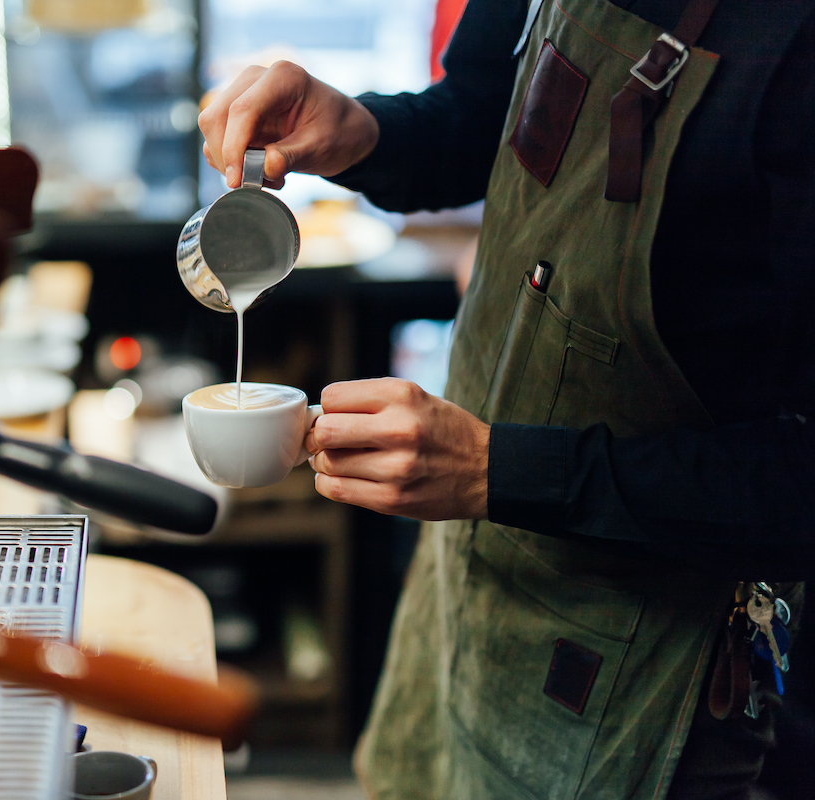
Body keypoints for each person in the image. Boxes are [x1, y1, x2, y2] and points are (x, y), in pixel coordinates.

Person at [198, 0, 815, 798]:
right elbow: (479, 117)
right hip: (469, 577)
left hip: (644, 669)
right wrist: (363, 130)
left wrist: (502, 469)